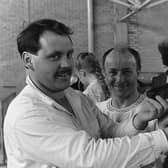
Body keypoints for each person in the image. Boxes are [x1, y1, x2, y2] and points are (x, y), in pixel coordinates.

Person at [3, 18, 168, 168]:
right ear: (28, 60)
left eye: (69, 54)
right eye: (54, 56)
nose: (66, 64)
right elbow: (90, 158)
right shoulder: (26, 114)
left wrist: (137, 121)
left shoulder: (77, 98)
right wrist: (163, 138)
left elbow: (111, 132)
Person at [96, 44, 168, 167]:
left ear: (138, 71)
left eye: (126, 72)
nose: (119, 79)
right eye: (113, 72)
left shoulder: (157, 110)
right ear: (104, 74)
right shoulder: (95, 110)